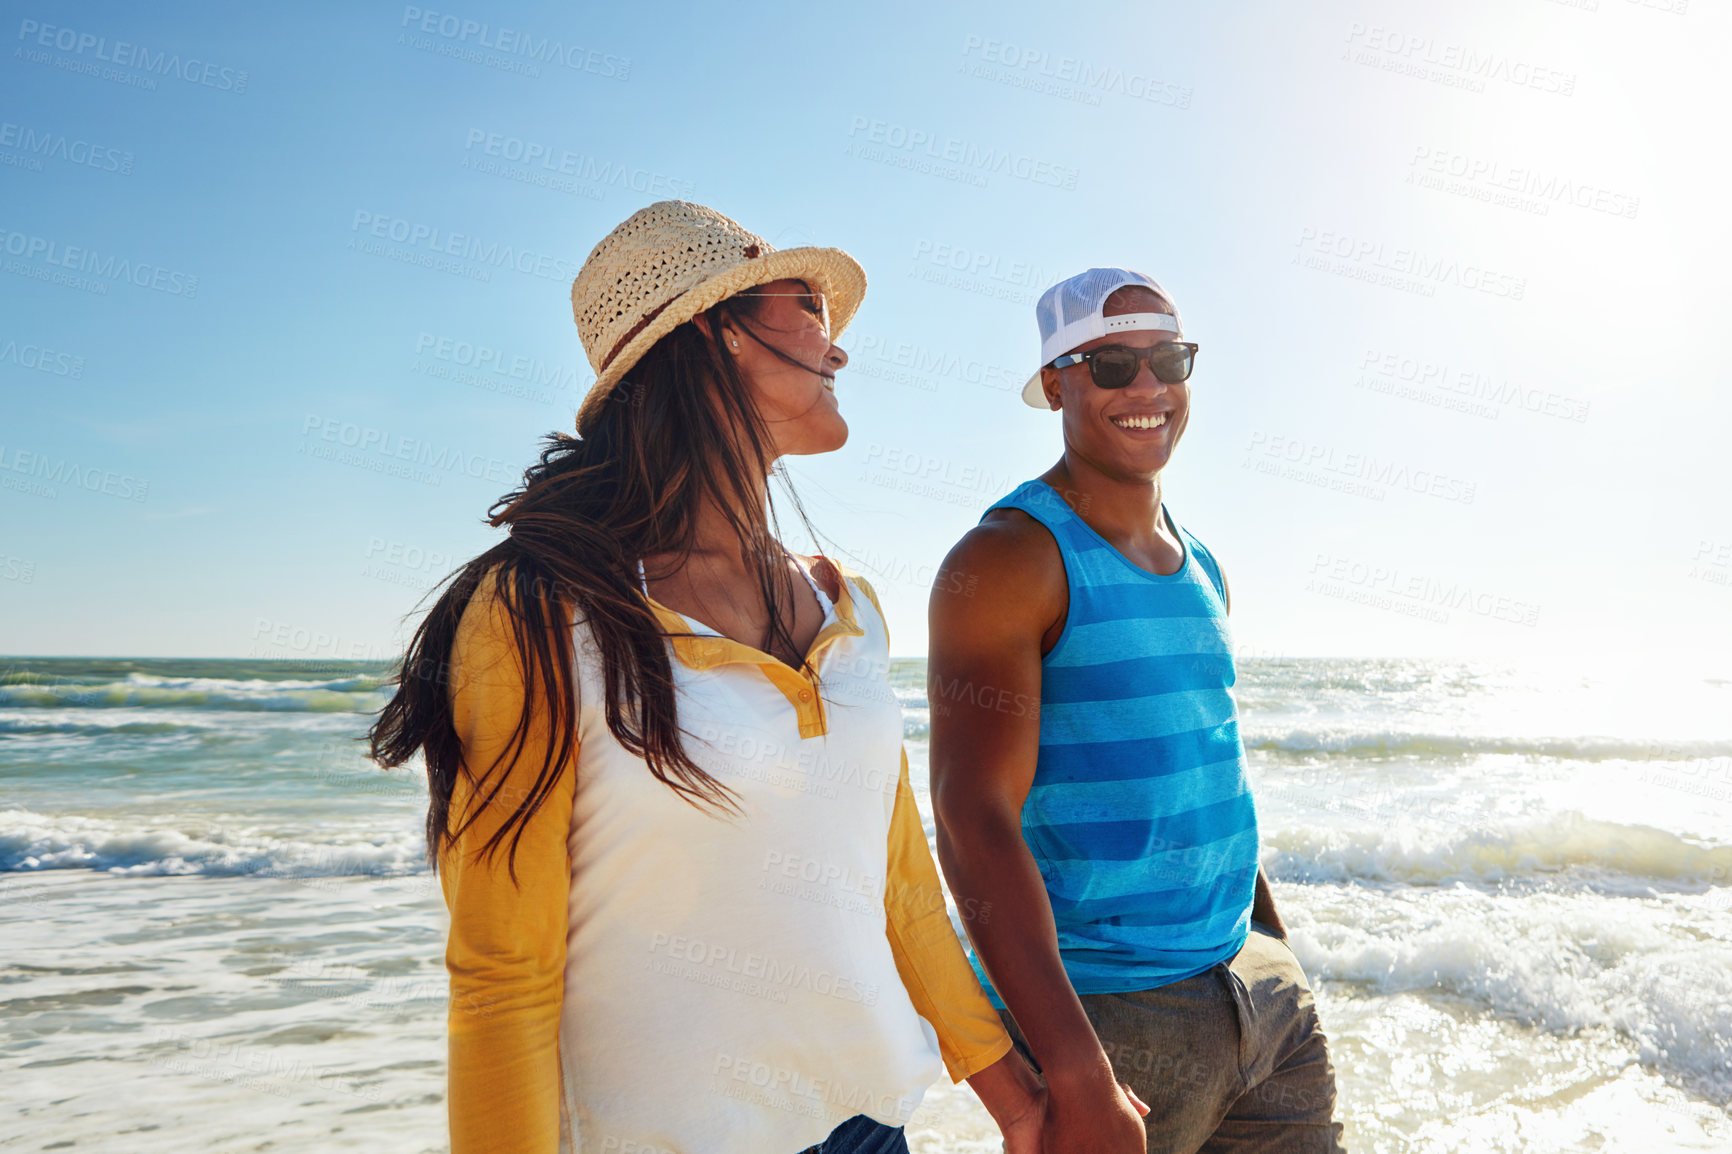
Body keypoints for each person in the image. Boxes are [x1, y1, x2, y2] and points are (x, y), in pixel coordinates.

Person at [367, 201, 1058, 1153]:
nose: (838, 348)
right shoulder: (539, 610)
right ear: (715, 335)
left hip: (872, 1127)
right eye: (808, 306)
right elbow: (503, 971)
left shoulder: (846, 610)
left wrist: (1022, 1106)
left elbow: (899, 892)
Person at [926, 268, 1346, 1153]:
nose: (1147, 386)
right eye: (1111, 363)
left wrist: (1274, 949)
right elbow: (972, 820)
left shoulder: (1204, 563)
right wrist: (1077, 1069)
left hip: (1259, 993)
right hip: (1114, 1017)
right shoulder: (1009, 557)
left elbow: (1209, 759)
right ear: (1055, 384)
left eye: (1168, 358)